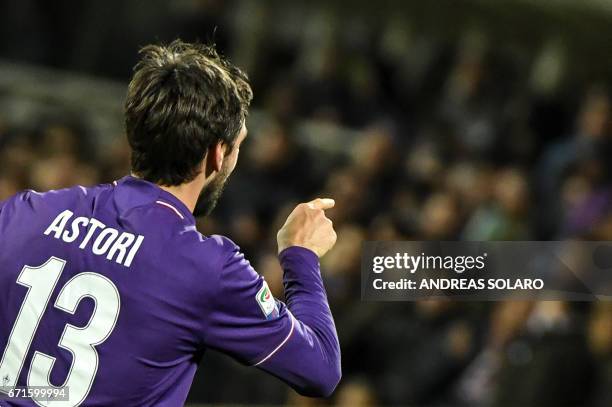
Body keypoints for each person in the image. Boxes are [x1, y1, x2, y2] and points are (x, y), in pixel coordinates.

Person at [0, 40, 341, 406]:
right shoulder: (208, 268)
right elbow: (320, 368)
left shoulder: (24, 212)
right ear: (218, 152)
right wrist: (300, 255)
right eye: (238, 145)